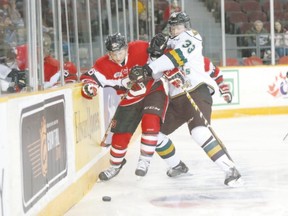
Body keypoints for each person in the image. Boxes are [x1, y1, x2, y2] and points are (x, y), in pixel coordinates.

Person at [129, 11, 242, 187]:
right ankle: (177, 166)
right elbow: (158, 74)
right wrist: (153, 56)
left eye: (178, 26)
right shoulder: (167, 46)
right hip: (176, 100)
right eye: (173, 27)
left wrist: (149, 68)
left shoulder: (192, 37)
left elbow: (177, 57)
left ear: (186, 26)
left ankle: (230, 169)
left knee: (199, 132)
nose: (175, 30)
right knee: (156, 136)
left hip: (195, 91)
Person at [80, 32, 189, 181]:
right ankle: (115, 165)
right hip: (129, 98)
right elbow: (89, 77)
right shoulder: (102, 64)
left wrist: (174, 72)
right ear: (108, 53)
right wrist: (89, 86)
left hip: (153, 91)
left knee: (151, 124)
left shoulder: (140, 48)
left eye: (120, 52)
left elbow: (166, 58)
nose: (118, 56)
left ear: (126, 48)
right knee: (120, 135)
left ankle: (144, 160)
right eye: (113, 53)